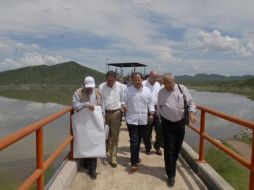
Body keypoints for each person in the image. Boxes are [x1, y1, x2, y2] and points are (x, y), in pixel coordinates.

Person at [157, 73, 196, 187]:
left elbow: (191, 102)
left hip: (180, 124)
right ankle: (171, 175)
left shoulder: (182, 88)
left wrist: (192, 112)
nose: (167, 85)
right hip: (167, 123)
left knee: (177, 148)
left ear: (174, 81)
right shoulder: (161, 92)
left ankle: (171, 164)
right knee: (169, 149)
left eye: (169, 82)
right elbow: (159, 106)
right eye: (165, 83)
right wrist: (159, 120)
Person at [123, 72, 155, 171]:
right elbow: (123, 101)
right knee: (134, 140)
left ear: (142, 80)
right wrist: (124, 105)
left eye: (139, 80)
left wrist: (151, 113)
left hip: (143, 120)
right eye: (135, 80)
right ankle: (133, 162)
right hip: (131, 119)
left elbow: (151, 104)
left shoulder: (147, 91)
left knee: (138, 140)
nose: (137, 82)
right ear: (133, 80)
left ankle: (136, 156)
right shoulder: (128, 90)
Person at [72, 76, 102, 179]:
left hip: (95, 123)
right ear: (84, 85)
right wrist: (85, 104)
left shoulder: (98, 92)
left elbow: (103, 107)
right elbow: (75, 106)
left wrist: (103, 120)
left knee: (94, 143)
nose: (90, 89)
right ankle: (86, 163)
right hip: (83, 124)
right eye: (88, 87)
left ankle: (92, 169)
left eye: (91, 87)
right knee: (85, 143)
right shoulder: (78, 93)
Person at [99, 71, 124, 167]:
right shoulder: (101, 87)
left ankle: (113, 156)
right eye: (108, 80)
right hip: (105, 113)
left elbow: (122, 99)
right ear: (106, 79)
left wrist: (122, 107)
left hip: (116, 113)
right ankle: (106, 149)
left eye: (112, 80)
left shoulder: (120, 86)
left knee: (115, 135)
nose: (110, 82)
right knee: (105, 134)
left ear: (115, 79)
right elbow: (100, 101)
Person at [142, 71, 163, 156]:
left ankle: (157, 146)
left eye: (156, 77)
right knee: (147, 131)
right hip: (146, 110)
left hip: (157, 109)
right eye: (154, 77)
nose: (155, 79)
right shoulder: (143, 83)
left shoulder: (158, 85)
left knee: (160, 129)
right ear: (149, 76)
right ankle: (148, 147)